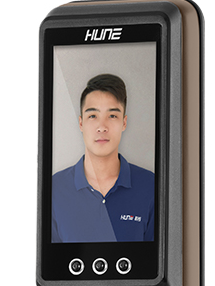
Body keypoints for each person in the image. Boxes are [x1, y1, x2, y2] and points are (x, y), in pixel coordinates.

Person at [51, 73, 155, 243]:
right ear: (81, 123)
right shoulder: (55, 189)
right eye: (93, 116)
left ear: (124, 123)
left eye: (112, 116)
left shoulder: (151, 186)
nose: (102, 127)